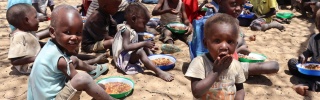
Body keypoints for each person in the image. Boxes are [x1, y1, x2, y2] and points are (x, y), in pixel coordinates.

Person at [27, 5, 115, 100]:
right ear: (52, 32)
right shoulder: (60, 60)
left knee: (74, 60)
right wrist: (97, 89)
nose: (74, 37)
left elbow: (72, 58)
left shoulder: (51, 46)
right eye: (68, 32)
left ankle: (93, 70)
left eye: (78, 33)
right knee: (83, 78)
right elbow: (80, 81)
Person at [190, 0, 279, 79]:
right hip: (219, 68)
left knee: (241, 40)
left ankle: (273, 24)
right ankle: (272, 24)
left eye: (242, 5)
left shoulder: (231, 21)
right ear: (220, 2)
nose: (238, 9)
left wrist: (240, 47)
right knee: (273, 66)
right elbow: (209, 59)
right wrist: (239, 50)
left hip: (228, 59)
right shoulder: (211, 24)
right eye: (234, 3)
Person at [185, 13, 246, 99]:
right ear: (206, 43)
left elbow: (240, 89)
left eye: (229, 42)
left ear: (235, 45)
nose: (224, 47)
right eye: (217, 41)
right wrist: (216, 71)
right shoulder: (199, 62)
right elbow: (197, 92)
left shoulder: (236, 65)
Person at [112, 2, 174, 81]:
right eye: (144, 23)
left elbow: (136, 39)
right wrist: (144, 43)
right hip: (122, 61)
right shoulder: (126, 31)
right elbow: (126, 47)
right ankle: (158, 72)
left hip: (125, 55)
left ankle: (149, 59)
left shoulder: (130, 28)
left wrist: (147, 44)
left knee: (142, 43)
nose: (145, 27)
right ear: (133, 19)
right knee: (140, 51)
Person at [6, 3, 51, 74]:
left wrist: (45, 45)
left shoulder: (29, 31)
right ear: (26, 20)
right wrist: (36, 58)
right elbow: (14, 61)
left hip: (36, 61)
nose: (38, 20)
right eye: (35, 17)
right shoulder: (18, 37)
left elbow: (34, 43)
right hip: (30, 66)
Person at [288, 9, 320, 96]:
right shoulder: (313, 39)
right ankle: (312, 82)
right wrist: (305, 54)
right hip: (313, 69)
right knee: (292, 63)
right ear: (317, 26)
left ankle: (308, 86)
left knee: (317, 82)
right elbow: (310, 51)